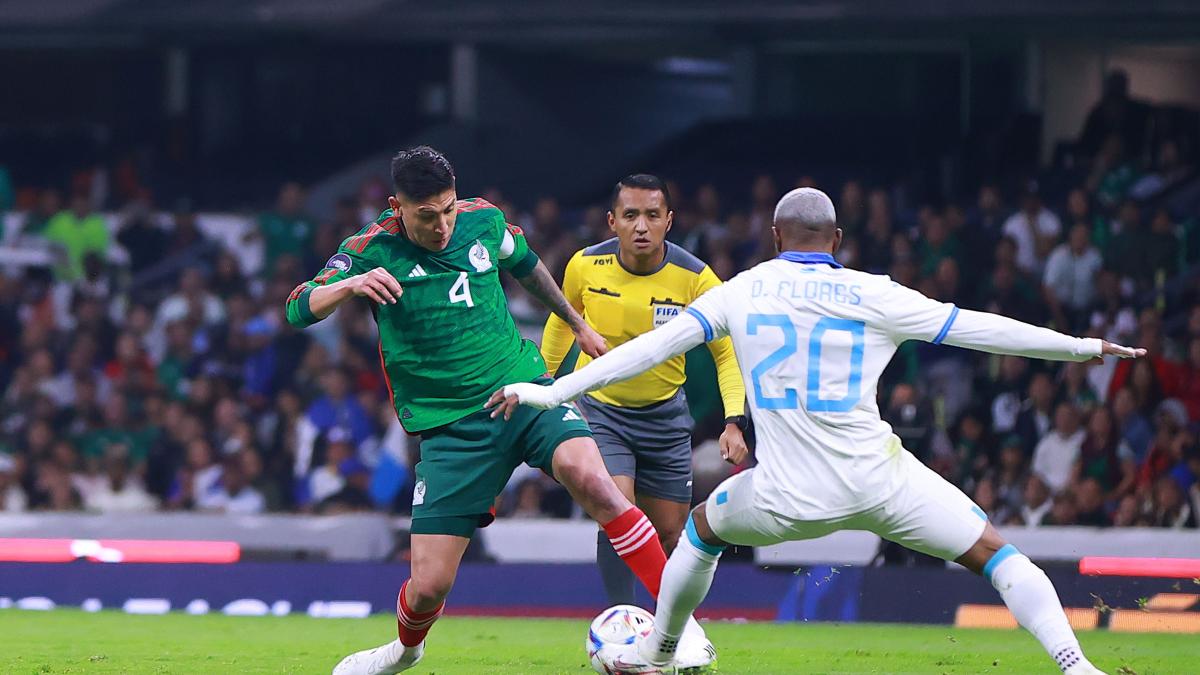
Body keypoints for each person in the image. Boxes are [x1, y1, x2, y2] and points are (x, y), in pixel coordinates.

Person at [493, 187, 1144, 675]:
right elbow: (980, 326)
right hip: (884, 481)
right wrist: (1082, 346)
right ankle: (1075, 664)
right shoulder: (877, 291)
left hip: (784, 496)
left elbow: (645, 352)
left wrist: (552, 390)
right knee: (999, 555)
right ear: (837, 238)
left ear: (776, 234)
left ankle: (662, 653)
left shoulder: (739, 291)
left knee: (700, 527)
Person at [286, 147, 677, 674]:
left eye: (447, 209)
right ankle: (404, 650)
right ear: (396, 206)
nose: (443, 225)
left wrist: (576, 321)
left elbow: (528, 266)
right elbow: (296, 307)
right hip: (451, 427)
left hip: (524, 390)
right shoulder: (368, 250)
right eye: (427, 215)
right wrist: (349, 285)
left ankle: (681, 632)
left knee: (591, 477)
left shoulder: (483, 220)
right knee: (428, 587)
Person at [539, 174, 748, 607]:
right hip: (602, 411)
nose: (641, 226)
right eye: (630, 215)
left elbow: (727, 355)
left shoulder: (696, 279)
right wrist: (545, 386)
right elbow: (563, 320)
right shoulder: (583, 265)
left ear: (669, 221)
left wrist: (734, 422)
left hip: (665, 417)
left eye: (652, 215)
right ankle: (622, 619)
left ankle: (667, 630)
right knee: (617, 511)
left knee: (670, 533)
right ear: (611, 221)